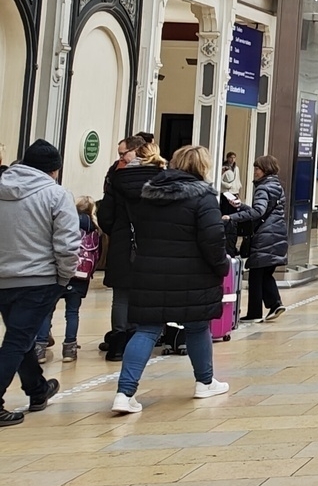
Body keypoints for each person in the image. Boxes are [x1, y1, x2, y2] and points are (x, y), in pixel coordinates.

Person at [111, 144, 231, 414]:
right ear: (202, 167)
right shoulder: (204, 198)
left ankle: (124, 393)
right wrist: (221, 266)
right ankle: (205, 382)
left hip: (149, 272)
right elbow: (213, 239)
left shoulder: (149, 195)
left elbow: (141, 231)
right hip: (193, 275)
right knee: (197, 327)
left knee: (146, 330)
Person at [0, 141, 79, 426]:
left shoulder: (2, 186)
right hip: (38, 279)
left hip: (4, 279)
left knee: (20, 336)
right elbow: (68, 244)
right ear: (54, 169)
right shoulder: (56, 194)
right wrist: (64, 276)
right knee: (17, 340)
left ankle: (37, 389)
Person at [98, 138, 165, 361]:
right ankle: (140, 340)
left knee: (121, 296)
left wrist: (117, 231)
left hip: (122, 242)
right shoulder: (161, 179)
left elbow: (105, 215)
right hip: (151, 243)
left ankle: (118, 342)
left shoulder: (117, 179)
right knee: (145, 294)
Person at [35, 196, 100, 362]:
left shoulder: (63, 224)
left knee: (47, 311)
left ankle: (40, 348)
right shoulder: (95, 229)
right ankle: (69, 349)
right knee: (72, 313)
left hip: (58, 273)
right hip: (80, 276)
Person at [224, 156, 286, 322]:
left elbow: (258, 212)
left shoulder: (263, 188)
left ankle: (256, 312)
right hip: (277, 232)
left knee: (257, 275)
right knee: (265, 273)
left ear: (264, 169)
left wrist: (233, 217)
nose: (255, 172)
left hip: (264, 235)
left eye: (257, 168)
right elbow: (265, 210)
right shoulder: (277, 186)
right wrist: (242, 206)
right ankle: (274, 304)